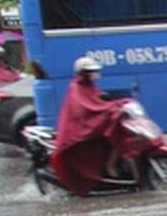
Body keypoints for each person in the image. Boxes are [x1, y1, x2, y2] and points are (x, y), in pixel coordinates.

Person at [50, 56, 129, 196]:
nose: (94, 74)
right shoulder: (76, 88)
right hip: (80, 129)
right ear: (83, 73)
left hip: (93, 124)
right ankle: (109, 166)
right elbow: (87, 107)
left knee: (120, 132)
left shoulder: (90, 87)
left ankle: (114, 165)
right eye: (90, 72)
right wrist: (110, 109)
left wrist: (120, 104)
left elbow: (99, 101)